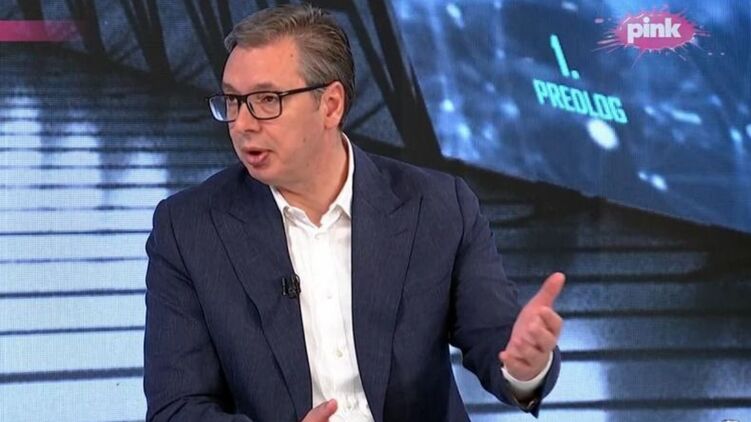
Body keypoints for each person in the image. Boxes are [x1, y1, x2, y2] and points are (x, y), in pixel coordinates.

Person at [143, 4, 564, 422]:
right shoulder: (188, 229)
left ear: (331, 105)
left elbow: (496, 338)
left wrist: (525, 367)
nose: (242, 124)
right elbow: (176, 408)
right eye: (233, 101)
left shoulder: (437, 206)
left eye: (267, 100)